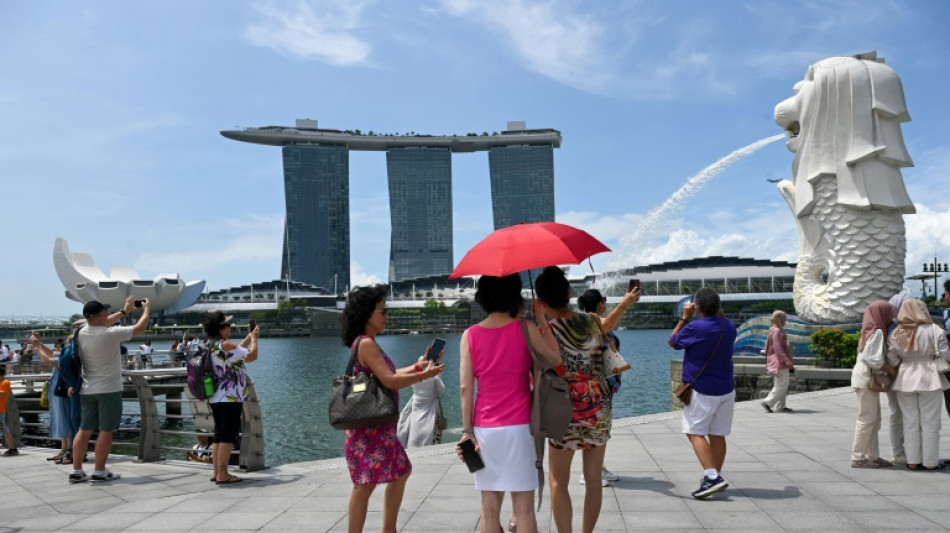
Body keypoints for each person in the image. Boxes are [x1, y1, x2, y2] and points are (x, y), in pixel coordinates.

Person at [459, 274, 561, 533]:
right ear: (515, 294)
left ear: (483, 296)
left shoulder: (469, 335)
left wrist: (467, 431)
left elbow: (465, 389)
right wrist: (541, 321)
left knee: (489, 505)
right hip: (521, 427)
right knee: (524, 506)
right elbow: (555, 360)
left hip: (484, 428)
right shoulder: (526, 329)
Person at [341, 284, 444, 533]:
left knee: (400, 472)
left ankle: (389, 529)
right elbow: (390, 381)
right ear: (367, 314)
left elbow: (389, 374)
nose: (386, 315)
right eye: (382, 311)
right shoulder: (366, 344)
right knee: (364, 485)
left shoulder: (368, 342)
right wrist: (424, 376)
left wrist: (419, 367)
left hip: (379, 428)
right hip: (369, 430)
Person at [535, 266, 612, 533]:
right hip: (598, 405)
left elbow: (546, 367)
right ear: (569, 292)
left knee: (559, 481)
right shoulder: (592, 320)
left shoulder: (546, 330)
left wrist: (540, 322)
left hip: (564, 409)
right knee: (593, 480)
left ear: (541, 302)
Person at [69, 297, 151, 483]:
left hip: (87, 389)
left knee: (84, 429)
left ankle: (77, 470)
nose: (107, 314)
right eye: (105, 312)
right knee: (106, 430)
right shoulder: (110, 334)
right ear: (99, 315)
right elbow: (140, 328)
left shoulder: (80, 332)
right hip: (109, 390)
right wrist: (146, 310)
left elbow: (103, 322)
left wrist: (124, 311)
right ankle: (99, 471)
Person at [669, 287, 737, 499]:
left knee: (694, 431)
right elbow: (721, 321)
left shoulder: (695, 327)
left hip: (702, 389)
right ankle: (713, 476)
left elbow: (673, 342)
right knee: (717, 434)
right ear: (718, 306)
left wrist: (683, 319)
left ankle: (712, 477)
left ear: (697, 309)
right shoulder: (729, 325)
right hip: (726, 388)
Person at [575, 287, 640, 486]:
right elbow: (607, 325)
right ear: (599, 303)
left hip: (604, 385)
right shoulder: (589, 321)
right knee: (594, 427)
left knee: (601, 427)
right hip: (593, 385)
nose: (606, 304)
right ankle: (587, 474)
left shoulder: (589, 320)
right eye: (604, 300)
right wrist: (625, 303)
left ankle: (598, 467)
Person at [886, 298, 950, 470]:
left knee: (909, 421)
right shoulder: (935, 330)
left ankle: (912, 461)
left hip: (905, 378)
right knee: (931, 422)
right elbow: (946, 354)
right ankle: (930, 462)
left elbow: (892, 359)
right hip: (930, 378)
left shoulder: (897, 333)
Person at [202, 311, 259, 484]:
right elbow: (251, 356)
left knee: (219, 435)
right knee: (227, 436)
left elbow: (236, 352)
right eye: (227, 325)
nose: (230, 327)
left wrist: (248, 338)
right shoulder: (226, 345)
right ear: (221, 329)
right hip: (230, 397)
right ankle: (223, 474)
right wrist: (255, 339)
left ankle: (216, 471)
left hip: (215, 396)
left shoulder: (210, 344)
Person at [850, 301, 897, 468]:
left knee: (874, 419)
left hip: (863, 378)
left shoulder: (871, 330)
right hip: (865, 378)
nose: (892, 316)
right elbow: (869, 358)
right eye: (890, 312)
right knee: (867, 418)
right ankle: (858, 457)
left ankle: (872, 456)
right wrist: (889, 368)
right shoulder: (877, 332)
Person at [30, 329, 84, 464]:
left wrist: (37, 346)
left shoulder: (68, 355)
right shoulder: (66, 353)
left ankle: (69, 449)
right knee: (62, 418)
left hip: (63, 390)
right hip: (61, 389)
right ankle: (65, 449)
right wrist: (40, 343)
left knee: (64, 418)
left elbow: (48, 360)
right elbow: (53, 354)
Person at [397, 372, 445, 448]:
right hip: (430, 407)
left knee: (414, 428)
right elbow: (441, 389)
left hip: (416, 404)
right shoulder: (433, 376)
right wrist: (438, 375)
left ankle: (412, 446)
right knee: (430, 430)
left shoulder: (414, 375)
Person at [761, 310, 795, 413]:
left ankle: (780, 406)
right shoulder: (777, 331)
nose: (785, 321)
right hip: (779, 362)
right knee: (783, 384)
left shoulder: (773, 330)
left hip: (776, 362)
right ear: (779, 319)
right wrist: (786, 360)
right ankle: (768, 402)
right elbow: (778, 348)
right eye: (784, 319)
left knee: (780, 384)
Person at [0, 366, 15, 456]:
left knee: (4, 429)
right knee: (3, 429)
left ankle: (12, 448)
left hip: (0, 409)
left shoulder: (5, 382)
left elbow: (1, 395)